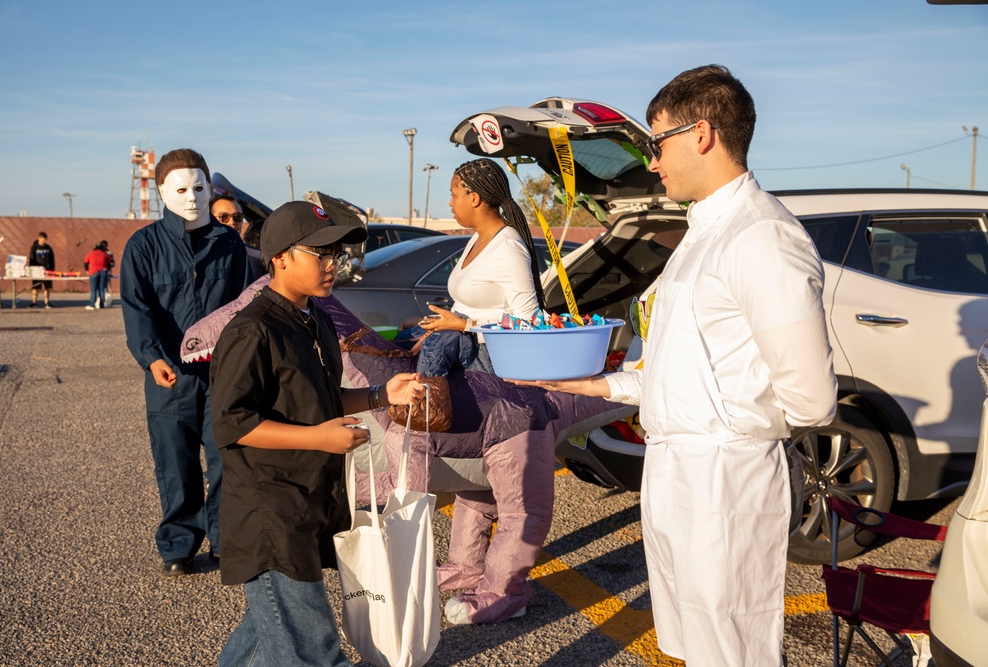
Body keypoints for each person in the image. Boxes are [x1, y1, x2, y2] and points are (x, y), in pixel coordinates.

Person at [515, 65, 838, 665]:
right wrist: (593, 383)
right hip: (677, 470)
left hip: (724, 477)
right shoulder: (701, 234)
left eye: (658, 143)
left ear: (703, 134)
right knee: (690, 644)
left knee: (729, 649)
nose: (654, 163)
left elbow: (812, 400)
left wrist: (714, 428)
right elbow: (682, 366)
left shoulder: (761, 237)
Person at [210, 200, 422, 666]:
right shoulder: (252, 330)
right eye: (320, 254)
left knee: (269, 633)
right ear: (281, 257)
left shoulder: (316, 320)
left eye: (336, 255)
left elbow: (322, 398)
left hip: (308, 502)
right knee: (314, 649)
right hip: (270, 512)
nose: (333, 266)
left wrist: (381, 395)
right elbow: (232, 423)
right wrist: (318, 438)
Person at [121, 148, 251, 576]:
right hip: (169, 378)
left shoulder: (229, 243)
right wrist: (151, 359)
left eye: (200, 187)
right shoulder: (143, 247)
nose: (193, 198)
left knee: (226, 459)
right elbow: (137, 310)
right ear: (161, 191)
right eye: (181, 189)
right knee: (175, 463)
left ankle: (226, 541)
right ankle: (178, 545)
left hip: (221, 375)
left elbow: (243, 305)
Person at [389, 158, 544, 431]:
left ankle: (427, 411)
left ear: (474, 198)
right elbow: (469, 304)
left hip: (492, 352)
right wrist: (427, 321)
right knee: (402, 336)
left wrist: (463, 325)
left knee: (442, 340)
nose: (450, 202)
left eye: (453, 195)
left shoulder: (508, 247)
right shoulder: (478, 238)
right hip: (466, 338)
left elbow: (530, 321)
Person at [212, 193, 266, 281]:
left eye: (237, 217)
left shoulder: (258, 258)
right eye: (224, 217)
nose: (232, 222)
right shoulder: (198, 257)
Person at [28, 232, 55, 308]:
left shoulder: (48, 248)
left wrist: (52, 271)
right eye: (44, 239)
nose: (45, 241)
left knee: (47, 287)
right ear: (39, 238)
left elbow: (52, 260)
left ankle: (46, 302)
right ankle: (34, 302)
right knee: (36, 287)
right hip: (37, 271)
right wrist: (32, 269)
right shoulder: (34, 247)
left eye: (46, 239)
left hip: (47, 271)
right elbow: (31, 258)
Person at [83, 242, 112, 310]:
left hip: (93, 271)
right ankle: (101, 304)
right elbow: (109, 264)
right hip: (103, 272)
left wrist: (87, 270)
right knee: (102, 289)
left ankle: (92, 304)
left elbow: (86, 263)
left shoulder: (90, 253)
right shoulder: (104, 254)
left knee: (94, 289)